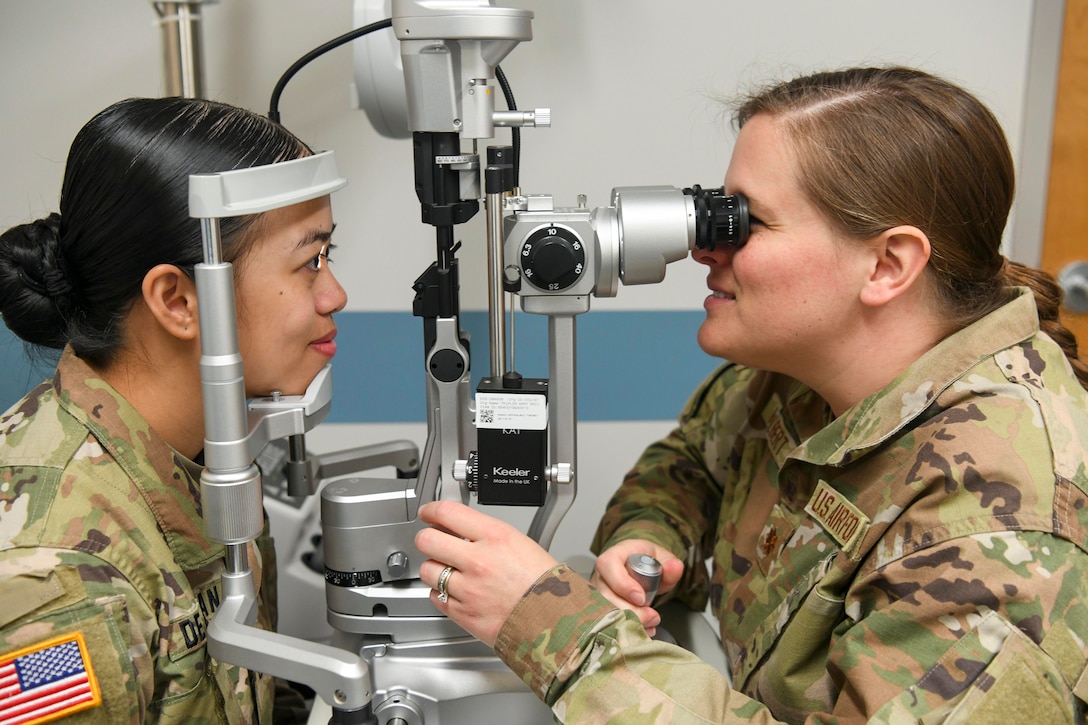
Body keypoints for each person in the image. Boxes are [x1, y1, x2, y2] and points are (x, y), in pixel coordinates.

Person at [413, 66, 1088, 722]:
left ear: (886, 265)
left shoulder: (1000, 519)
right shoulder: (800, 375)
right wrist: (647, 543)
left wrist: (552, 623)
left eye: (747, 221)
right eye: (715, 211)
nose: (706, 249)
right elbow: (688, 463)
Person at [0, 97, 347, 723]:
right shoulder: (63, 572)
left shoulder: (204, 460)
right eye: (308, 262)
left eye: (330, 254)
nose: (335, 294)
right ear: (179, 300)